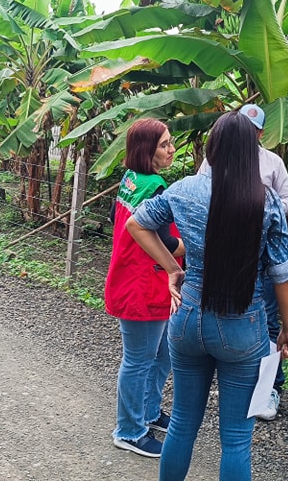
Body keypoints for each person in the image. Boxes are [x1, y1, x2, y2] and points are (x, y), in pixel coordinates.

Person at [126, 112, 288, 481]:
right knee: (236, 440)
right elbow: (282, 272)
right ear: (251, 151)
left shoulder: (184, 188)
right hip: (243, 326)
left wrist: (172, 268)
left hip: (187, 317)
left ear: (212, 148)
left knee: (182, 424)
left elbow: (136, 223)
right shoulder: (266, 200)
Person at [198, 103, 288, 420]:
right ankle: (236, 380)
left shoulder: (272, 162)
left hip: (261, 253)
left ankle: (270, 388)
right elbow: (201, 194)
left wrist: (259, 208)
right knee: (228, 312)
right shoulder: (213, 162)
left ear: (261, 133)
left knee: (268, 323)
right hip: (224, 252)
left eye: (253, 130)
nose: (247, 134)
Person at [106, 119, 185, 459]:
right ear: (146, 150)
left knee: (162, 353)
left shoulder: (131, 179)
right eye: (164, 144)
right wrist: (201, 244)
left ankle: (149, 411)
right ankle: (129, 430)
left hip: (139, 278)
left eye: (170, 142)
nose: (172, 149)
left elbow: (114, 218)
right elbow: (167, 241)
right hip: (142, 284)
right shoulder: (154, 187)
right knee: (139, 360)